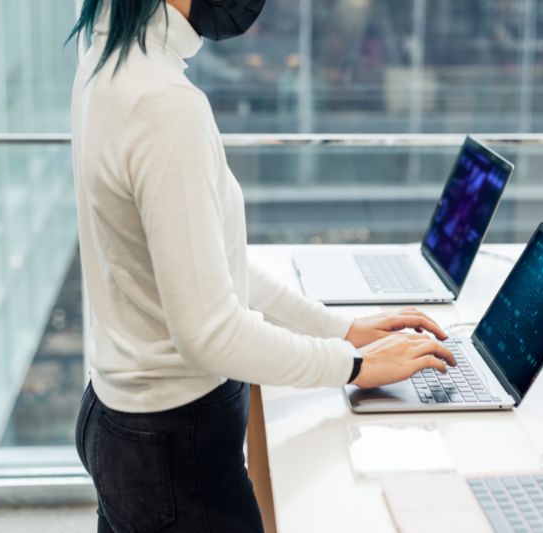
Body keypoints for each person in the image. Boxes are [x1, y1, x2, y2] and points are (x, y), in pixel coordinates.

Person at [68, 1, 455, 531]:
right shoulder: (163, 104)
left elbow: (208, 262)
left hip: (121, 425)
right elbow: (209, 334)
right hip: (172, 450)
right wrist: (353, 366)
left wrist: (343, 329)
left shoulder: (105, 59)